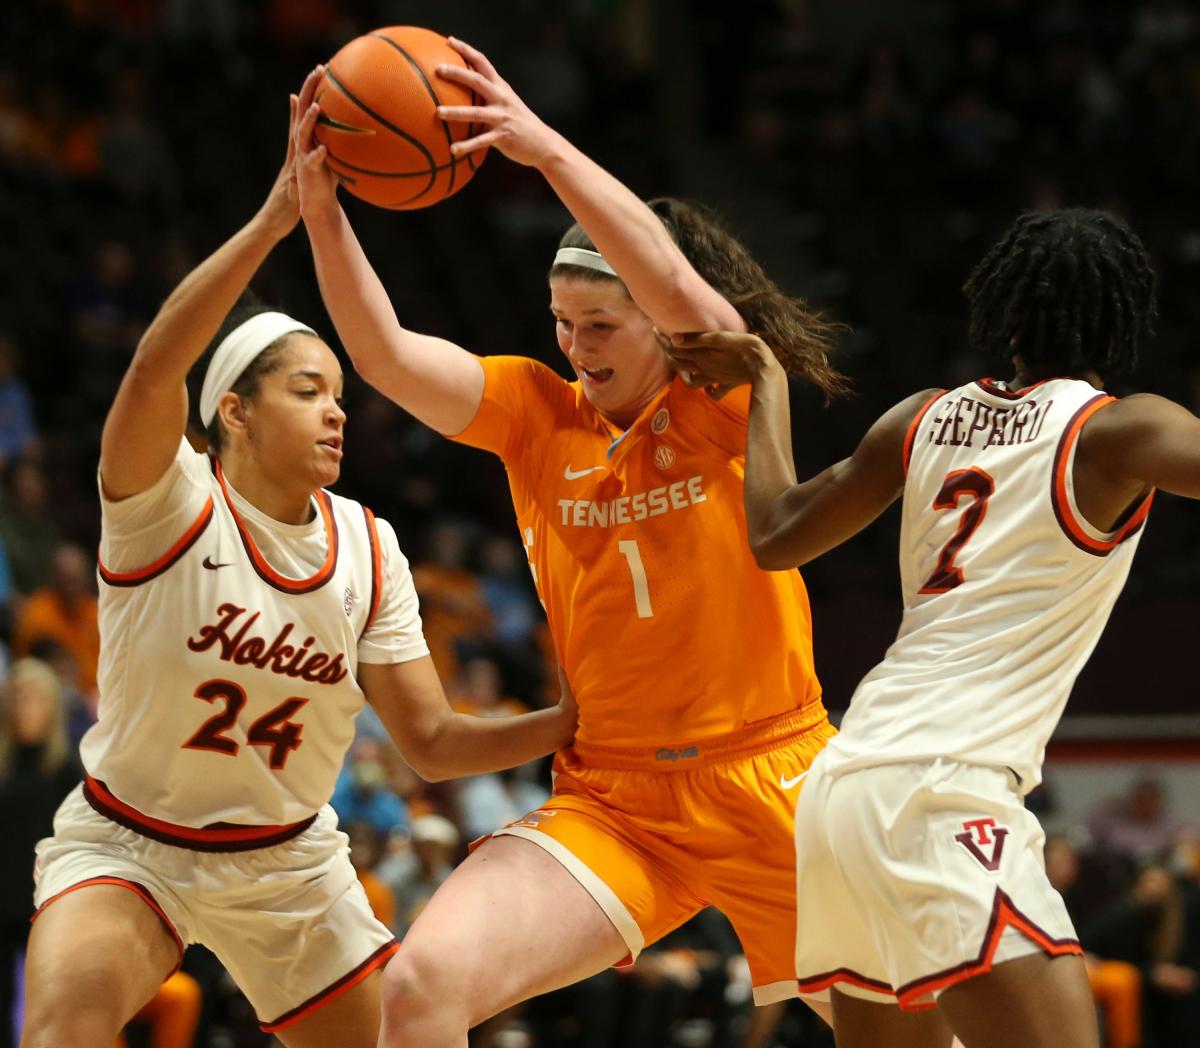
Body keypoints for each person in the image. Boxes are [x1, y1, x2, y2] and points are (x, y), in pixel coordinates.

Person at [293, 37, 847, 1046]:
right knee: (417, 989)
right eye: (562, 322)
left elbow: (684, 289)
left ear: (659, 328)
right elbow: (380, 352)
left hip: (778, 781)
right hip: (615, 796)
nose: (575, 348)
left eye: (600, 325)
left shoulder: (722, 395)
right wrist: (321, 210)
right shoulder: (531, 411)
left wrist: (544, 150)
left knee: (928, 1033)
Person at [20, 81, 576, 1048]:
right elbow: (156, 369)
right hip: (132, 842)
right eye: (308, 390)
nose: (337, 411)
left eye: (341, 396)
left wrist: (567, 724)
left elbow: (434, 743)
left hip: (287, 865)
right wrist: (278, 218)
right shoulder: (168, 502)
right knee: (64, 1021)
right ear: (232, 409)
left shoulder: (368, 544)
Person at [665, 207, 1200, 1047]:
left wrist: (766, 383)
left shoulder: (923, 417)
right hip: (945, 789)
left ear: (1006, 314)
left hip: (845, 788)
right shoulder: (1120, 430)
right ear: (1123, 315)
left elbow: (774, 536)